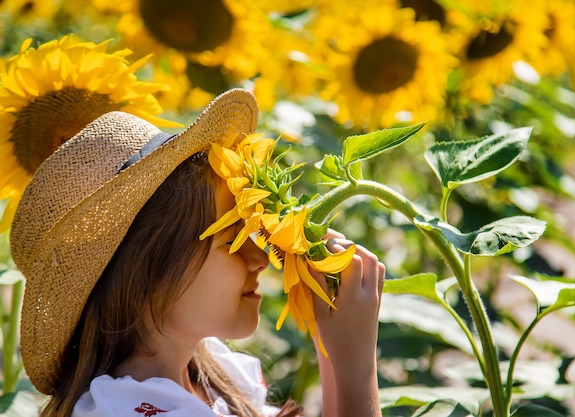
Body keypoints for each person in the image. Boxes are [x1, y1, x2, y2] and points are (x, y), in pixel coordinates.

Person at [9, 89, 385, 417]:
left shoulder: (211, 378)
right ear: (148, 270)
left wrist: (329, 344)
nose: (260, 259)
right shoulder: (123, 410)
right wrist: (356, 369)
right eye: (231, 241)